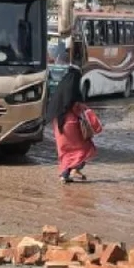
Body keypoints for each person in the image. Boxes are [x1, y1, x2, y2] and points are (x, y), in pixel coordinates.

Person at [46, 40, 95, 184]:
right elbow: (76, 106)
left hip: (59, 124)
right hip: (70, 123)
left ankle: (65, 173)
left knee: (66, 150)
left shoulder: (62, 89)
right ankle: (73, 170)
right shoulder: (73, 92)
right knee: (85, 147)